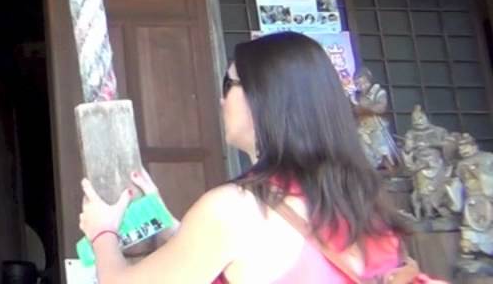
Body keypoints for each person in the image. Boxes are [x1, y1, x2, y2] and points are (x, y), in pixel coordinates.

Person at [79, 32, 408, 283]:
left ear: (264, 96)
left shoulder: (234, 211)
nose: (221, 101)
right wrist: (165, 222)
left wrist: (102, 232)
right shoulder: (364, 201)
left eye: (228, 84)